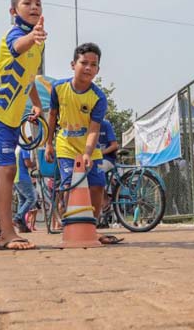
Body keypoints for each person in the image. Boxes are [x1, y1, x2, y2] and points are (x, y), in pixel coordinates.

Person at [0, 0, 46, 251]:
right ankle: (7, 233)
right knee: (7, 169)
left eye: (38, 3)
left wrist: (36, 104)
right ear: (13, 11)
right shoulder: (14, 35)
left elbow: (29, 77)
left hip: (13, 118)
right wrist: (33, 36)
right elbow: (17, 47)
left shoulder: (38, 42)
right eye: (27, 2)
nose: (34, 7)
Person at [45, 42, 121, 246]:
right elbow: (52, 116)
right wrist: (48, 144)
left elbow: (94, 129)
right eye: (84, 63)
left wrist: (88, 153)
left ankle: (91, 227)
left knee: (97, 186)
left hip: (89, 148)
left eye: (93, 65)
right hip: (66, 145)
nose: (88, 68)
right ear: (73, 64)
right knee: (70, 184)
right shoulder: (58, 88)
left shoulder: (98, 97)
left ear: (98, 69)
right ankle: (70, 224)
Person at [13, 144, 37, 234]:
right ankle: (17, 217)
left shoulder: (16, 149)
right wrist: (36, 163)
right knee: (32, 198)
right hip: (23, 177)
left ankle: (22, 226)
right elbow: (28, 164)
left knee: (22, 201)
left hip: (16, 178)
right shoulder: (24, 149)